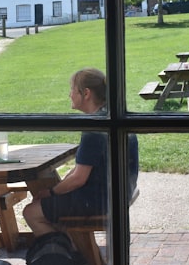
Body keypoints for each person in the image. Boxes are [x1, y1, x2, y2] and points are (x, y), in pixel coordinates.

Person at [23, 68, 139, 238]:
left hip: (100, 200)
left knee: (31, 212)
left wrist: (52, 192)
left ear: (86, 93)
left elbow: (79, 179)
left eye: (72, 89)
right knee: (54, 209)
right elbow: (80, 170)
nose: (69, 95)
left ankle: (65, 260)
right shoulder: (110, 116)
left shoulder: (94, 128)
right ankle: (78, 255)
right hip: (119, 192)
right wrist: (58, 189)